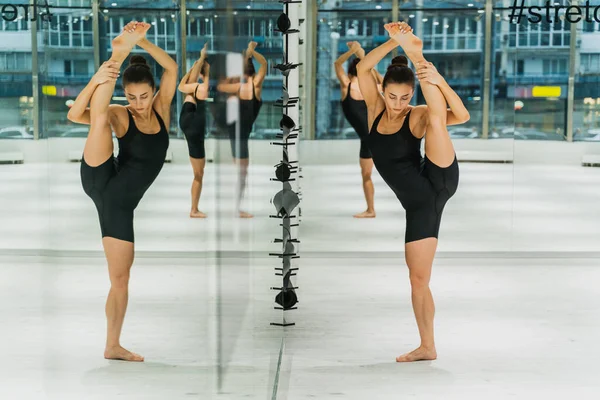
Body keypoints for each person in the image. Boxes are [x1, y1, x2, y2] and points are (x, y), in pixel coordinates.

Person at [356, 21, 470, 362]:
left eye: (405, 97)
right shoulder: (375, 111)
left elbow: (460, 116)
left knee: (435, 119)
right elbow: (363, 67)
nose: (398, 103)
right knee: (417, 280)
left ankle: (417, 54)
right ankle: (427, 346)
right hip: (419, 205)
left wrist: (436, 79)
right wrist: (393, 42)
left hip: (438, 179)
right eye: (392, 96)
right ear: (383, 90)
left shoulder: (416, 114)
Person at [66, 21, 178, 362]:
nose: (139, 103)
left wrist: (143, 41)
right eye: (131, 97)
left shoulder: (160, 109)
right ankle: (117, 55)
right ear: (125, 94)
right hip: (101, 181)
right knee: (100, 118)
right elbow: (75, 114)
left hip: (120, 201)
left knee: (121, 279)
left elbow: (171, 67)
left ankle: (112, 345)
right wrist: (98, 80)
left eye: (144, 96)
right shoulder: (120, 113)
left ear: (152, 92)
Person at [217, 41, 267, 218]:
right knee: (242, 173)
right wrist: (249, 54)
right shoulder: (243, 86)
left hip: (239, 134)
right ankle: (236, 208)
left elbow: (264, 66)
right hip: (238, 134)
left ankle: (235, 206)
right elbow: (265, 65)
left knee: (240, 172)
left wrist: (250, 52)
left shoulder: (250, 86)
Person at [334, 41, 383, 218]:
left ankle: (371, 209)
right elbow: (384, 83)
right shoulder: (371, 88)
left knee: (367, 175)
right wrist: (361, 57)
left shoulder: (347, 85)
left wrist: (355, 53)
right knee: (370, 175)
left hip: (373, 139)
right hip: (376, 139)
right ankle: (370, 210)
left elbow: (337, 64)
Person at [178, 43, 210, 218]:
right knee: (199, 173)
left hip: (190, 122)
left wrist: (199, 59)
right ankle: (194, 210)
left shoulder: (196, 88)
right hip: (194, 125)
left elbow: (187, 82)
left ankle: (194, 209)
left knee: (199, 173)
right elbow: (182, 85)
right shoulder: (201, 87)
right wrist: (200, 60)